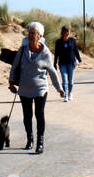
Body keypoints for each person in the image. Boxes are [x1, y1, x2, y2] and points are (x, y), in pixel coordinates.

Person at [9, 21, 64, 153]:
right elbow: (14, 66)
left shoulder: (45, 53)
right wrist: (11, 82)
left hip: (40, 89)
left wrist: (59, 88)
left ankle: (40, 142)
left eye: (33, 33)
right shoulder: (23, 49)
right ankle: (30, 139)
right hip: (24, 88)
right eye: (29, 33)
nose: (30, 35)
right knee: (27, 115)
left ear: (40, 36)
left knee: (39, 114)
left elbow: (52, 71)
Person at [53, 25, 82, 101]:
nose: (68, 33)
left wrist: (79, 60)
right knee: (64, 80)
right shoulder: (58, 42)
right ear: (63, 33)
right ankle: (65, 94)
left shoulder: (72, 40)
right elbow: (56, 53)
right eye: (66, 32)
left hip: (71, 63)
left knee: (71, 81)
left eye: (68, 32)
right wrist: (55, 63)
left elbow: (76, 51)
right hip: (62, 63)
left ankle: (70, 93)